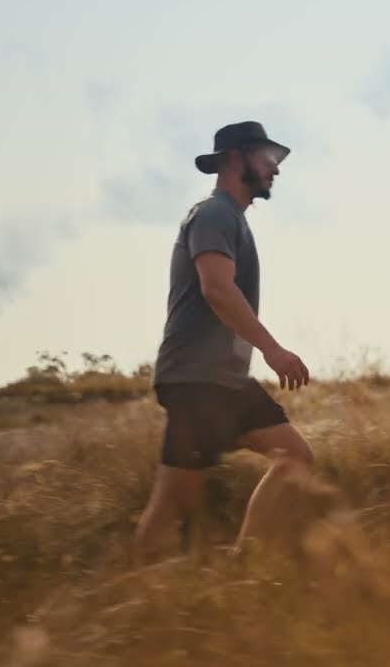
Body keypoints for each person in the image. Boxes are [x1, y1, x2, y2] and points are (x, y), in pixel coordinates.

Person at [134, 121, 315, 563]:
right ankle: (126, 598)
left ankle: (240, 564)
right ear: (236, 158)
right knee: (174, 499)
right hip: (197, 378)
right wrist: (273, 350)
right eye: (268, 158)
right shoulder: (213, 214)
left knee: (295, 457)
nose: (275, 169)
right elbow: (216, 288)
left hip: (222, 380)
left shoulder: (232, 219)